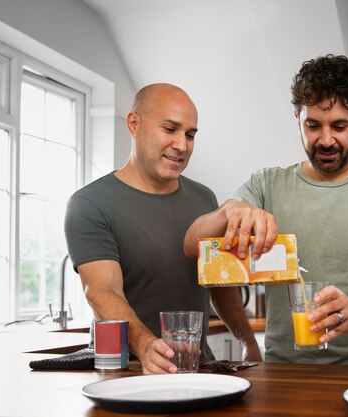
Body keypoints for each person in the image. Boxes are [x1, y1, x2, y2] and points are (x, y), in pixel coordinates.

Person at [184, 55, 348, 365]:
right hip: (282, 377)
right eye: (313, 125)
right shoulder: (265, 185)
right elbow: (192, 245)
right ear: (298, 120)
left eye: (340, 126)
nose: (326, 140)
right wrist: (230, 210)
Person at [64, 83, 261, 374]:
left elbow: (220, 286)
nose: (182, 145)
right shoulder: (90, 204)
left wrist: (248, 342)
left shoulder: (205, 198)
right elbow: (102, 291)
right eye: (170, 129)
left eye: (190, 134)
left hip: (199, 368)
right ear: (134, 124)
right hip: (127, 370)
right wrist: (146, 347)